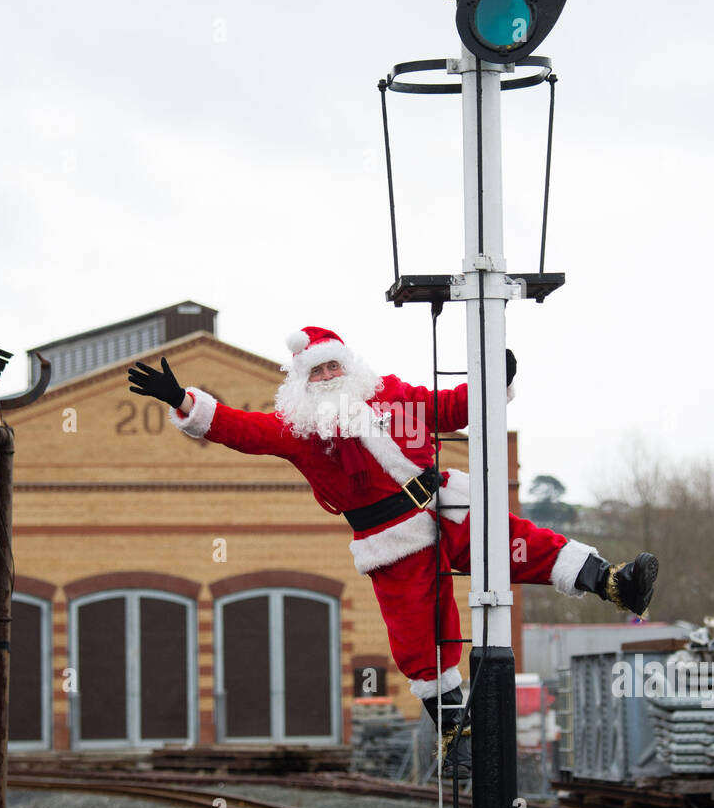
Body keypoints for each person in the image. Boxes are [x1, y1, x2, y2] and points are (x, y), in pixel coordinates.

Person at [128, 325, 658, 774]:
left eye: (334, 367)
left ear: (348, 367)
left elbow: (451, 409)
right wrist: (183, 401)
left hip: (443, 506)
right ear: (302, 383)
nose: (329, 378)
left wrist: (495, 381)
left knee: (520, 542)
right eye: (317, 372)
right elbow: (240, 428)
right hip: (391, 543)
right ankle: (456, 734)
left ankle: (616, 583)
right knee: (416, 640)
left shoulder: (394, 396)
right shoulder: (299, 431)